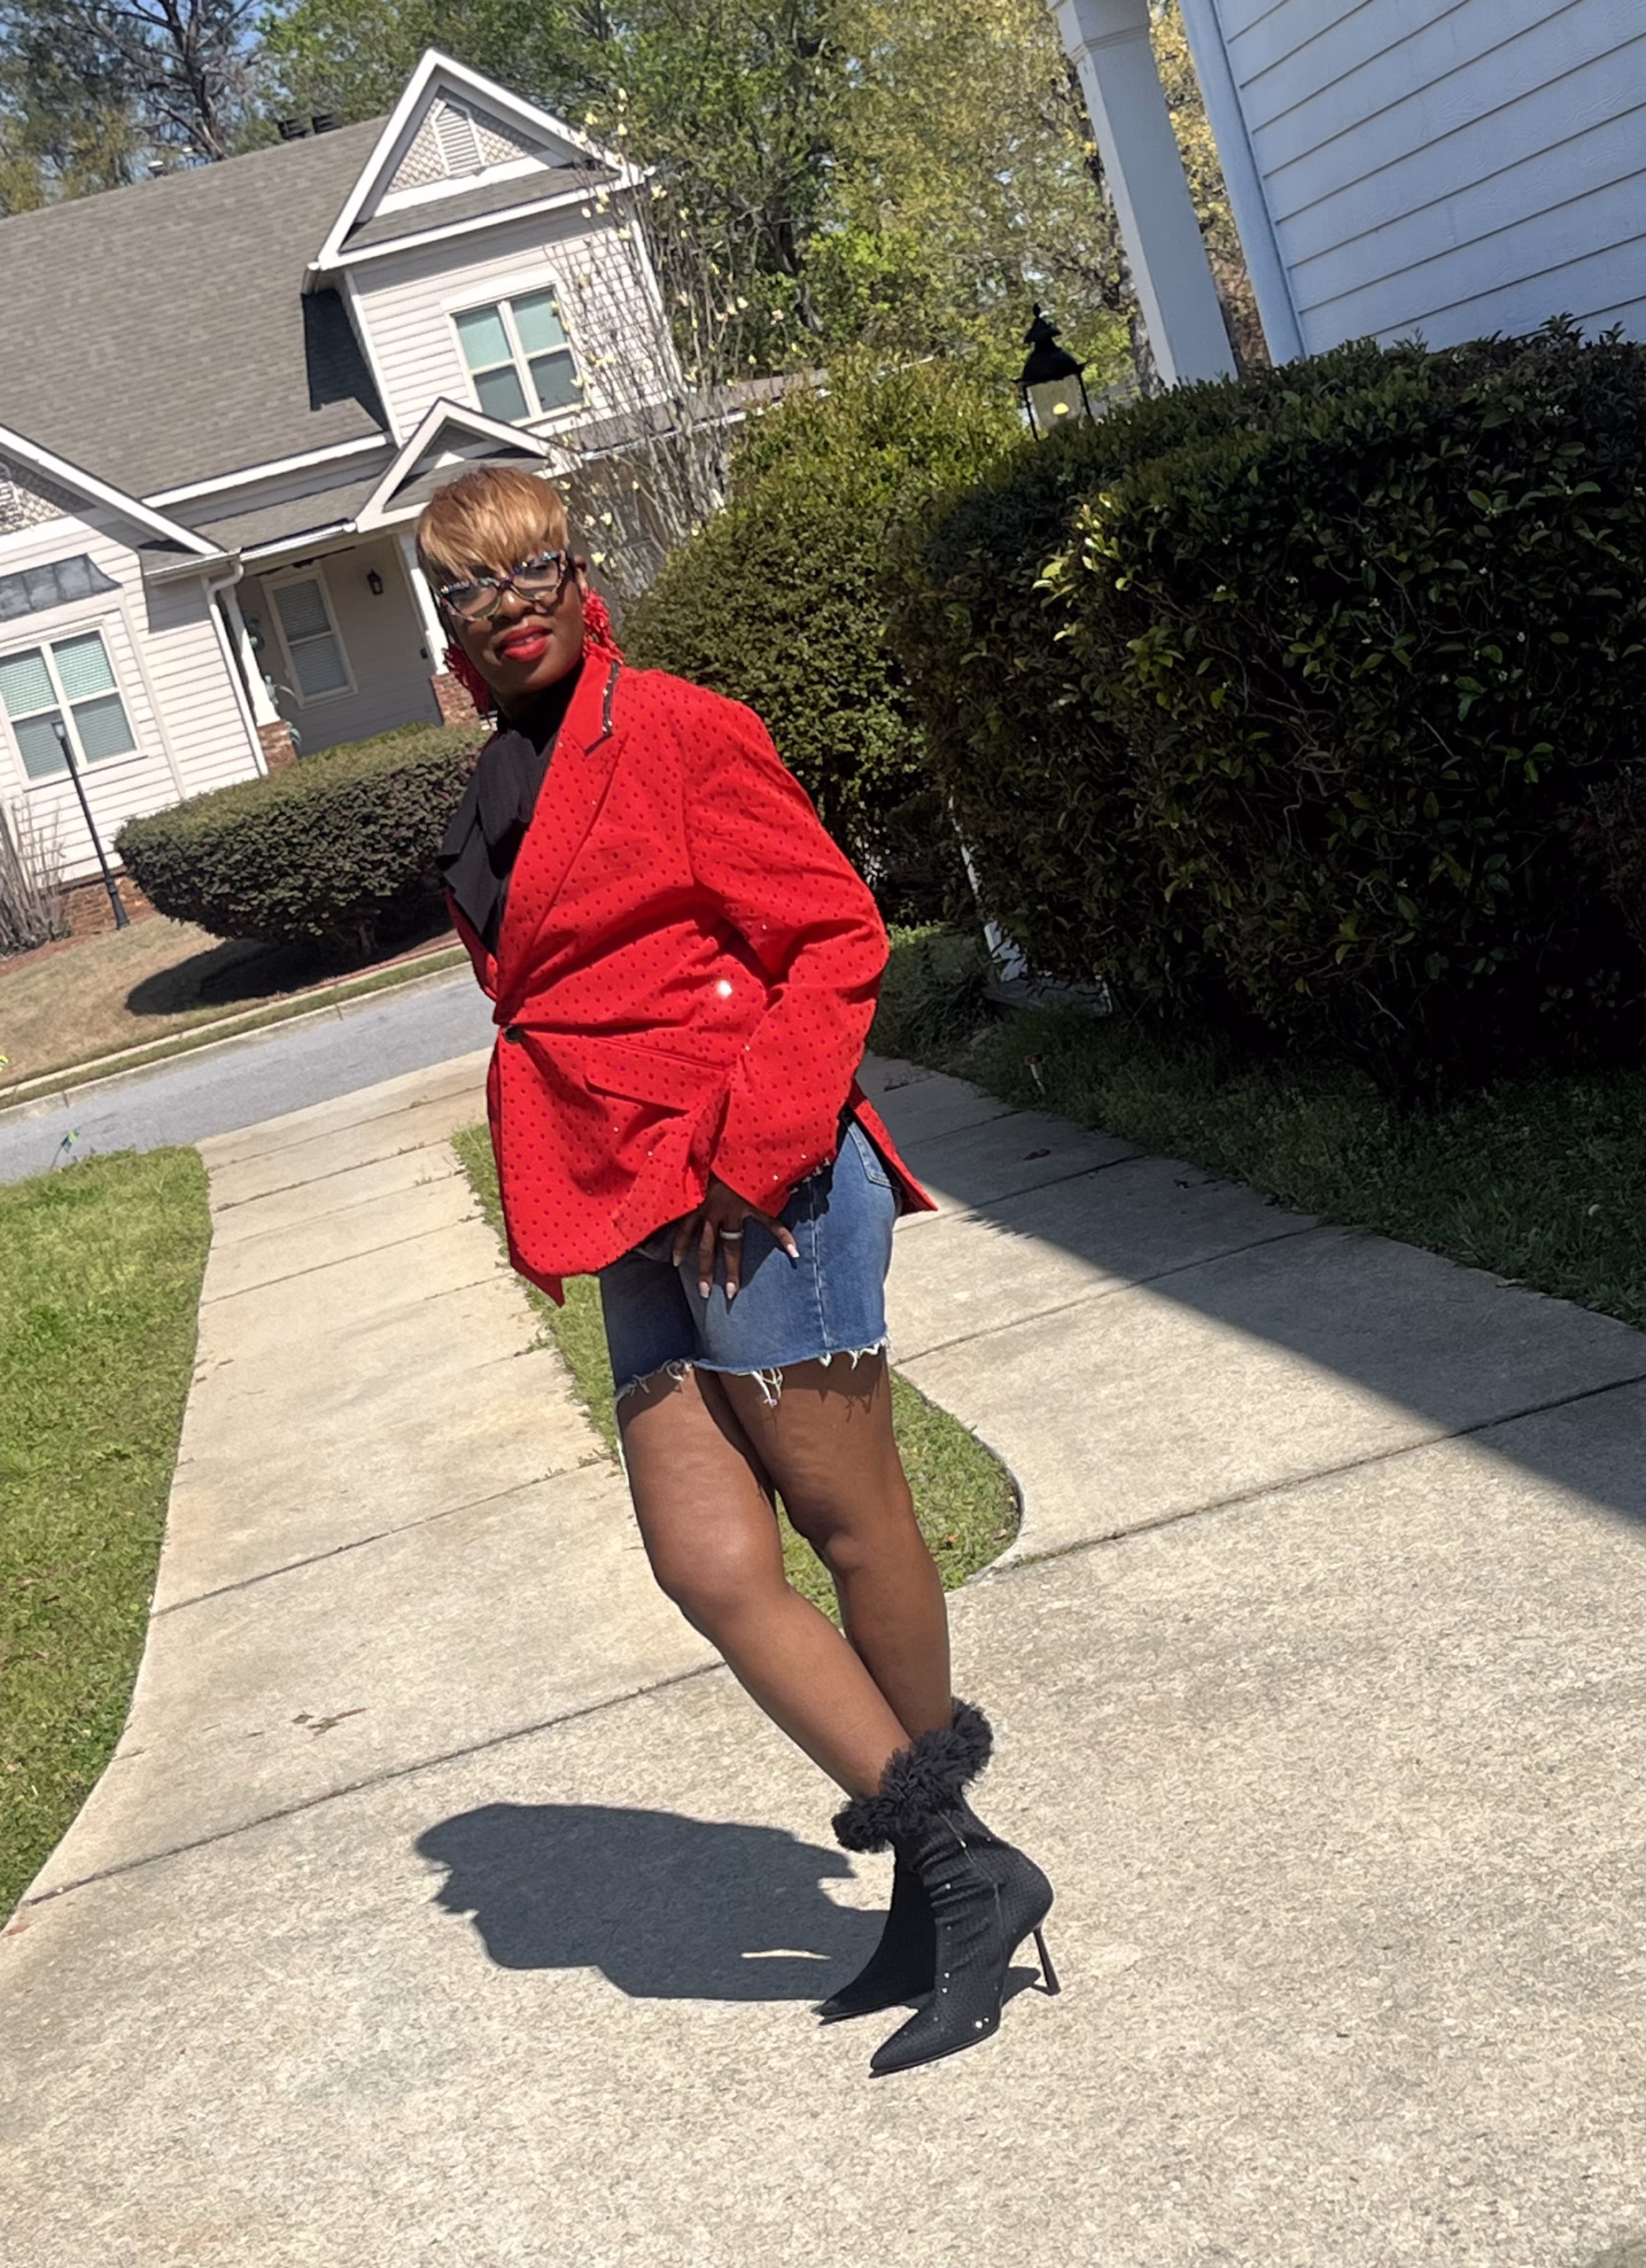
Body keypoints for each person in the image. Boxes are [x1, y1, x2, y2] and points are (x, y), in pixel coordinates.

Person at [423, 466, 1056, 2076]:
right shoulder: (496, 781)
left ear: (581, 576)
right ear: (446, 619)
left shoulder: (681, 729)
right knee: (706, 1561)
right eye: (470, 587)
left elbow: (836, 935)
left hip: (758, 1183)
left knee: (851, 1519)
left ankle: (949, 1888)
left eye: (531, 569)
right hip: (628, 1200)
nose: (507, 606)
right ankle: (956, 1872)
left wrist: (749, 1149)